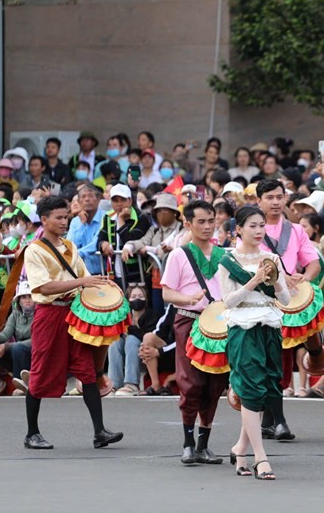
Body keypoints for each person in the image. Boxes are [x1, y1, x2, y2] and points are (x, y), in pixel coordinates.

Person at [21, 195, 122, 450]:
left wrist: (102, 284)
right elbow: (43, 286)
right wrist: (82, 283)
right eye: (59, 217)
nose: (65, 221)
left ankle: (100, 431)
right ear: (44, 220)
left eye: (66, 217)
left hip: (73, 313)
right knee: (41, 370)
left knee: (87, 369)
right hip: (49, 314)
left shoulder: (69, 246)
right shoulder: (33, 249)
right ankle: (32, 433)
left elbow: (84, 277)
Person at [216, 205, 290, 480]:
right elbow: (229, 301)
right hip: (243, 328)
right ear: (238, 229)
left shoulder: (272, 258)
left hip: (269, 326)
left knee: (267, 388)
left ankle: (240, 449)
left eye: (262, 226)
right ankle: (261, 457)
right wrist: (254, 281)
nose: (259, 231)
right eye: (253, 226)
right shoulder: (228, 260)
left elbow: (286, 301)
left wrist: (277, 279)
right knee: (250, 389)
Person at [161, 200, 230, 464]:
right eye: (200, 221)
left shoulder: (225, 255)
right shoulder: (179, 254)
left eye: (211, 221)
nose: (207, 226)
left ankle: (203, 445)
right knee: (191, 382)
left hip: (219, 324)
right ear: (187, 224)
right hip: (189, 321)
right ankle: (188, 443)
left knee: (214, 385)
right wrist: (187, 299)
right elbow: (167, 292)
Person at [256, 179, 321, 440]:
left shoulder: (295, 230)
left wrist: (304, 279)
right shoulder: (253, 229)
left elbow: (313, 262)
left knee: (279, 359)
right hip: (262, 300)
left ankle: (273, 421)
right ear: (259, 201)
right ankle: (275, 421)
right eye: (269, 197)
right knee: (272, 360)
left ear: (285, 199)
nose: (275, 202)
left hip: (289, 302)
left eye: (279, 197)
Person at [108, 284, 159, 396]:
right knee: (114, 341)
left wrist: (131, 329)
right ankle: (114, 384)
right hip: (125, 353)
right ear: (128, 299)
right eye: (133, 296)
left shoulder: (153, 315)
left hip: (144, 354)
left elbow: (149, 336)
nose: (137, 299)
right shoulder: (124, 315)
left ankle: (132, 384)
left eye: (140, 296)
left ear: (146, 298)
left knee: (131, 339)